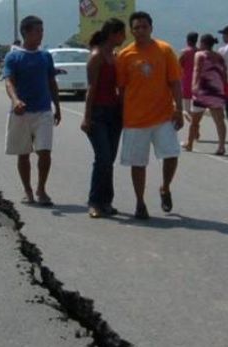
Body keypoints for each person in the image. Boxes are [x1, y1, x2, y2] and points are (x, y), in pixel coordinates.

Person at [116, 11, 184, 220]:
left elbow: (174, 82)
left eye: (144, 27)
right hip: (135, 120)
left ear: (151, 28)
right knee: (138, 163)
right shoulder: (125, 55)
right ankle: (140, 202)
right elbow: (122, 88)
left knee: (171, 155)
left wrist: (179, 109)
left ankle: (164, 187)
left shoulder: (164, 50)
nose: (141, 31)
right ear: (131, 30)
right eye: (136, 27)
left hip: (163, 116)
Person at [4, 15, 62, 206]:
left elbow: (51, 82)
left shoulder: (45, 56)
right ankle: (27, 190)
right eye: (37, 30)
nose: (41, 34)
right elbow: (9, 81)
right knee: (24, 153)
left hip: (43, 111)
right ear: (26, 33)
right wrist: (15, 101)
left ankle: (41, 189)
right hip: (21, 112)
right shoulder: (13, 57)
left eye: (42, 30)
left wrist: (57, 106)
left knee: (45, 152)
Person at [82, 18, 126, 218]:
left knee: (109, 160)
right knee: (103, 158)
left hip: (114, 113)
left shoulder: (114, 56)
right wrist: (86, 117)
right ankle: (94, 202)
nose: (124, 38)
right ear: (112, 34)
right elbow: (91, 89)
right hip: (98, 113)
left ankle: (107, 201)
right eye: (121, 34)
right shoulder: (97, 56)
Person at [189, 33, 228, 155]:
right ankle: (221, 146)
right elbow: (224, 73)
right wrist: (223, 87)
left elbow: (197, 70)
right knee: (219, 121)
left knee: (195, 120)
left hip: (203, 90)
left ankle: (190, 143)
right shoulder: (220, 57)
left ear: (202, 43)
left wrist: (194, 86)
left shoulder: (200, 55)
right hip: (217, 91)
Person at [178, 32, 200, 151]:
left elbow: (177, 65)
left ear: (187, 40)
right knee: (195, 109)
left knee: (185, 110)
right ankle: (196, 126)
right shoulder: (200, 51)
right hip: (198, 83)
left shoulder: (185, 52)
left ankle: (195, 126)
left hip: (186, 82)